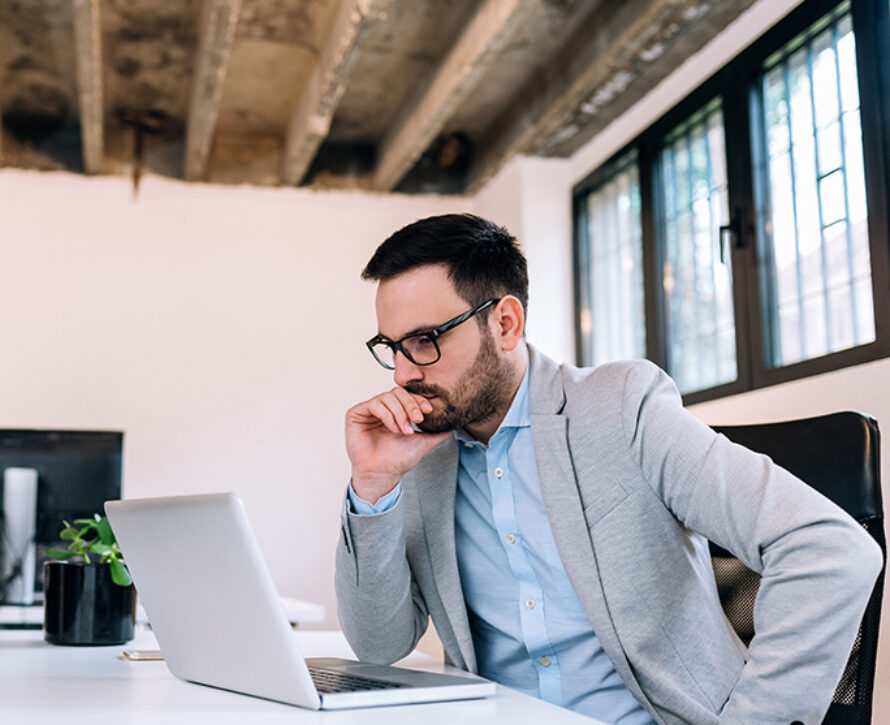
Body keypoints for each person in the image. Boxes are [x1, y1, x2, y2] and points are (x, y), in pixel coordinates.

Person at [335, 213, 882, 725]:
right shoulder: (424, 454)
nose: (404, 373)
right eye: (392, 347)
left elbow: (831, 550)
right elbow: (381, 645)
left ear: (505, 323)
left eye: (425, 341)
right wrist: (374, 485)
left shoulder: (621, 408)